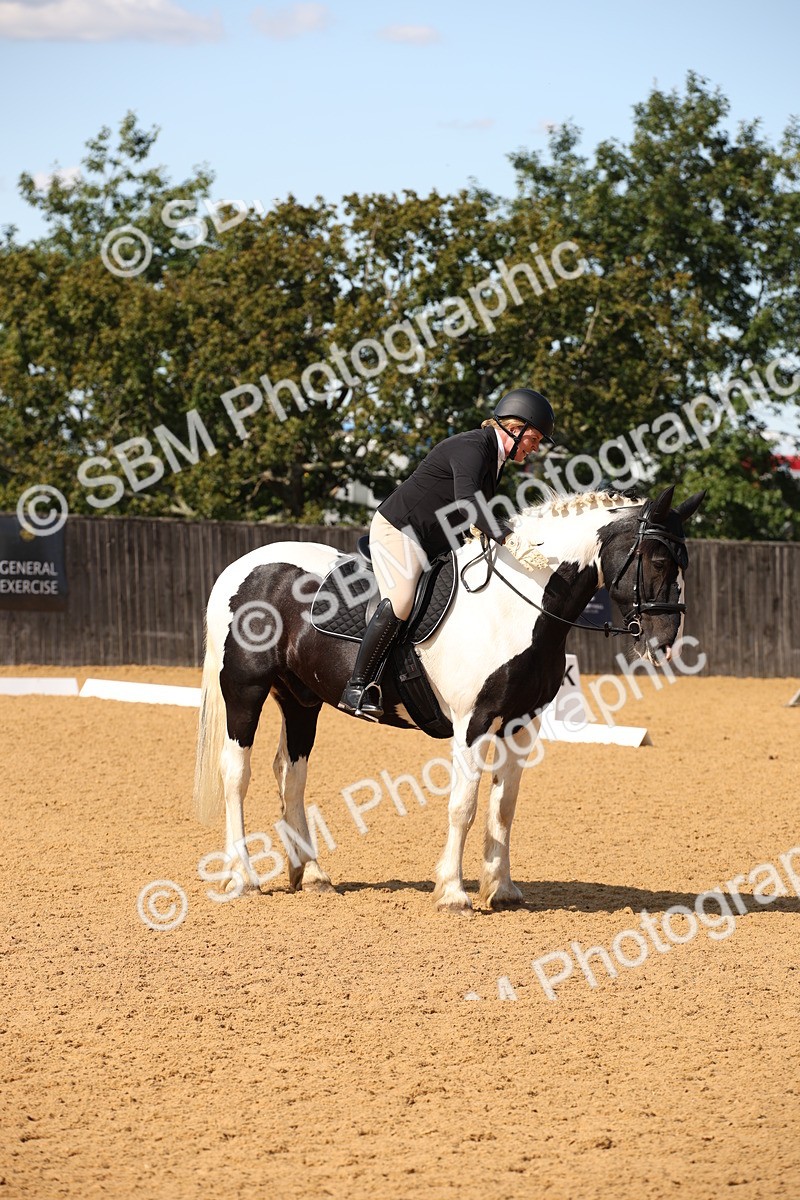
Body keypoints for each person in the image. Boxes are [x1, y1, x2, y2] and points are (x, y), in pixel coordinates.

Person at [338, 387, 556, 720]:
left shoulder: (493, 459)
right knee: (401, 601)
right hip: (399, 530)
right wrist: (509, 539)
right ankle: (357, 686)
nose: (536, 447)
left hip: (434, 540)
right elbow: (469, 502)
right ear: (515, 429)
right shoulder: (472, 447)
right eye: (535, 438)